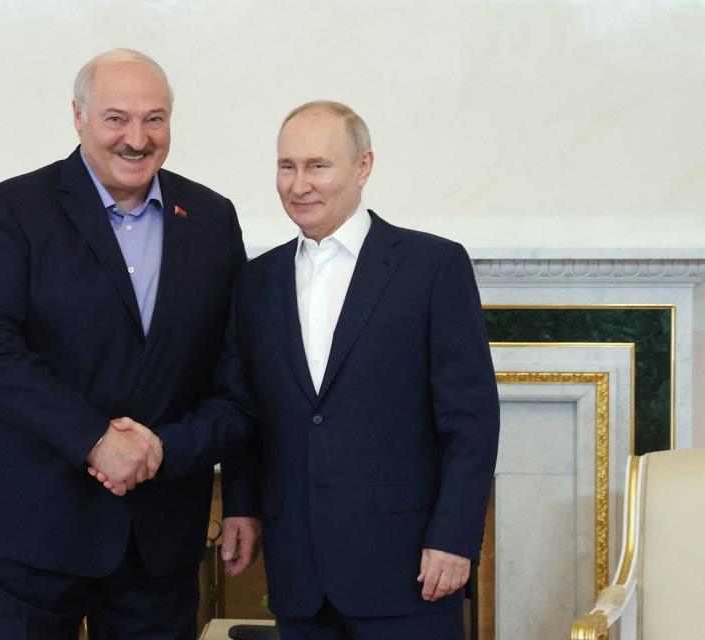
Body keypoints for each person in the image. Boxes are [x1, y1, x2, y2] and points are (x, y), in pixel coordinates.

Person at [97, 100, 500, 639]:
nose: (298, 184)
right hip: (298, 572)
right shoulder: (256, 280)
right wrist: (241, 505)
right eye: (287, 167)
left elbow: (472, 420)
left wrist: (453, 536)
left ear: (363, 167)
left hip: (408, 568)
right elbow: (246, 408)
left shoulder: (433, 267)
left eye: (317, 166)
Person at [0, 48, 257, 640]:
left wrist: (177, 458)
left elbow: (236, 375)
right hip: (33, 524)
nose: (136, 139)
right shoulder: (11, 211)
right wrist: (95, 440)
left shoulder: (214, 219)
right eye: (116, 118)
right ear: (79, 117)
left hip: (159, 532)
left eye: (155, 119)